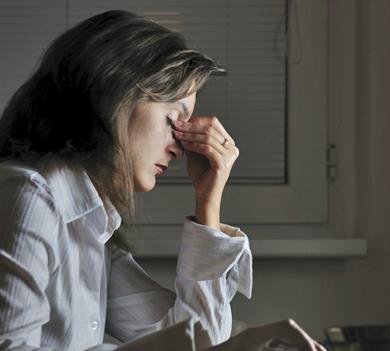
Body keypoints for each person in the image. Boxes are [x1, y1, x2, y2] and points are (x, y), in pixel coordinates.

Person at [0, 9, 325, 351]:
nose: (180, 148)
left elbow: (198, 340)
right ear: (115, 97)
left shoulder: (92, 227)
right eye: (174, 119)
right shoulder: (28, 194)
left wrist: (207, 200)